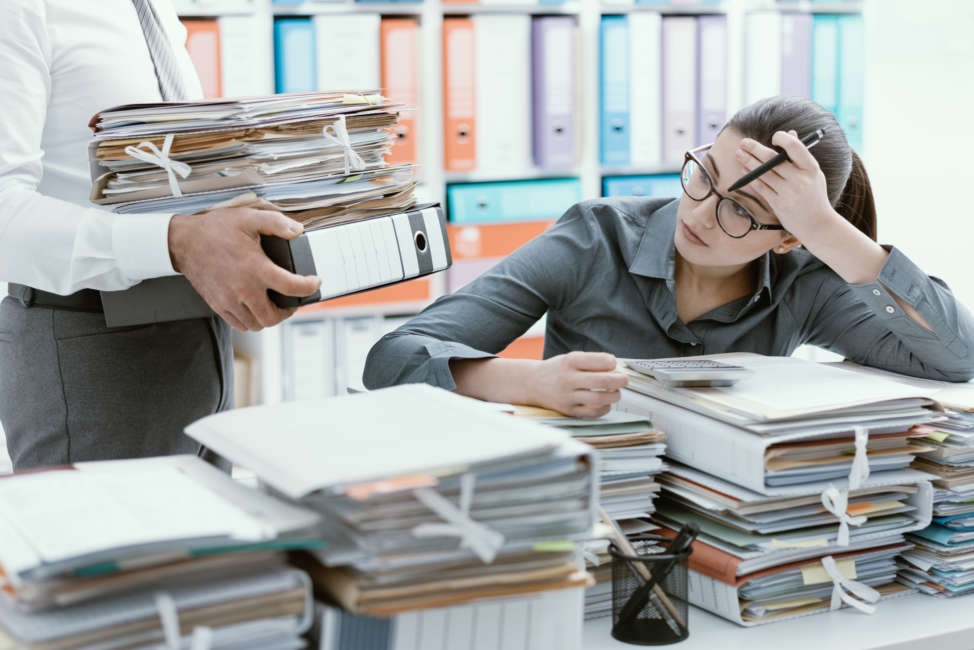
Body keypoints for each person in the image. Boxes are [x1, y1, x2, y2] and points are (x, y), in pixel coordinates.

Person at [364, 95, 974, 417]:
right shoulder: (594, 237)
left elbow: (957, 360)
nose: (701, 212)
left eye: (741, 210)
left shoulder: (805, 275)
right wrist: (529, 381)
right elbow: (391, 359)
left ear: (788, 238)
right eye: (703, 173)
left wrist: (826, 230)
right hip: (596, 511)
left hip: (739, 521)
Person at [0, 0, 319, 470]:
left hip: (197, 338)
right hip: (89, 345)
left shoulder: (150, 10)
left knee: (204, 537)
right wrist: (177, 241)